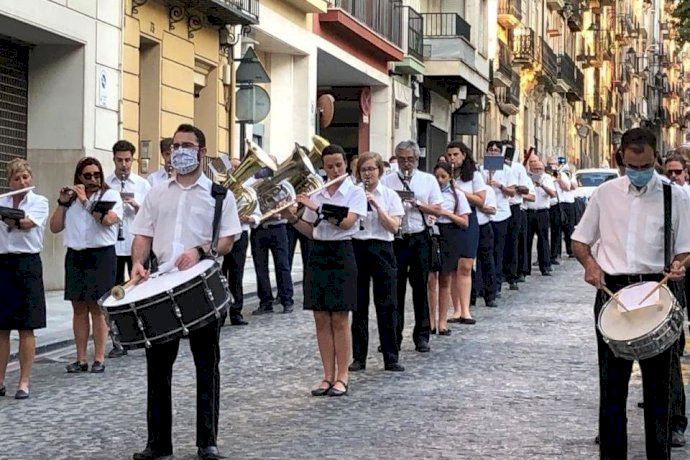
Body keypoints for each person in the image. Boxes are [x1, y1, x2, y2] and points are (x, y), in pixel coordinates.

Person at [572, 127, 690, 459]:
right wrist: (590, 266)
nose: (639, 173)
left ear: (657, 158)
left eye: (646, 166)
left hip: (657, 290)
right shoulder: (605, 194)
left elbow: (686, 248)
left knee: (659, 391)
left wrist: (680, 265)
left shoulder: (674, 196)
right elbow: (580, 240)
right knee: (611, 388)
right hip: (614, 293)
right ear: (622, 158)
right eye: (633, 166)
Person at [130, 124, 241, 460]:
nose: (179, 150)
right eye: (176, 145)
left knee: (206, 365)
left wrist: (200, 250)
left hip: (199, 284)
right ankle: (158, 444)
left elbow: (228, 239)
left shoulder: (220, 195)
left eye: (187, 145)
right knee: (158, 367)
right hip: (161, 286)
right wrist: (137, 263)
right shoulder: (157, 192)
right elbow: (142, 234)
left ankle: (207, 441)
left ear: (201, 151)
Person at [284, 144, 367, 397]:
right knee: (320, 317)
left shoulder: (355, 192)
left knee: (340, 318)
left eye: (339, 165)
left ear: (346, 164)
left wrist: (316, 207)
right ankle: (327, 375)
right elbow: (312, 230)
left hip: (342, 253)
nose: (334, 170)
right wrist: (292, 217)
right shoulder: (317, 192)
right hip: (318, 253)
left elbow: (346, 223)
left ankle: (342, 376)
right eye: (329, 166)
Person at [49, 157, 123, 374]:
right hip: (76, 256)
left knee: (98, 308)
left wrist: (86, 202)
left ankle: (98, 357)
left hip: (101, 255)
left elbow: (109, 220)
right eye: (87, 175)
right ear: (79, 177)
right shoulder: (71, 199)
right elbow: (54, 227)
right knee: (79, 308)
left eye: (97, 174)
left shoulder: (109, 195)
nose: (93, 179)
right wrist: (63, 202)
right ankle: (80, 358)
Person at [381, 140, 443, 353]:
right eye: (402, 160)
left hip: (419, 237)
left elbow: (437, 209)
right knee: (394, 289)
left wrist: (418, 205)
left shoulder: (428, 180)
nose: (406, 164)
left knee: (420, 287)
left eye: (410, 160)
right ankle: (393, 336)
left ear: (417, 159)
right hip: (397, 238)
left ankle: (422, 334)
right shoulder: (387, 181)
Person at [349, 152, 405, 372]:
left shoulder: (390, 195)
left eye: (371, 169)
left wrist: (377, 204)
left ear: (379, 171)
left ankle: (391, 356)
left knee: (387, 304)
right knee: (359, 305)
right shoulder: (353, 194)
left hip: (383, 247)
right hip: (358, 247)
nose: (368, 173)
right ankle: (359, 357)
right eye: (363, 170)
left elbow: (394, 227)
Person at [0, 160, 49, 400]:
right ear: (9, 181)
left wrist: (12, 221)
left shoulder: (39, 202)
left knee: (26, 327)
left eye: (26, 177)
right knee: (1, 328)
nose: (22, 182)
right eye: (17, 179)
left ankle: (23, 381)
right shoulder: (2, 201)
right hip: (3, 264)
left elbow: (29, 224)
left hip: (27, 264)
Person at [105, 140, 151, 358]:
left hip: (136, 245)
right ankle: (118, 340)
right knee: (114, 293)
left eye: (127, 160)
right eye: (119, 160)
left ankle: (144, 334)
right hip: (113, 246)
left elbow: (152, 214)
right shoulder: (106, 183)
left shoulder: (142, 184)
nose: (124, 165)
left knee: (141, 290)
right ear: (113, 159)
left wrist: (136, 205)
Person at [445, 142, 486, 324]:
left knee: (466, 265)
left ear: (464, 155)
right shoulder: (446, 173)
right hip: (451, 219)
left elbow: (481, 200)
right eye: (450, 155)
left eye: (456, 154)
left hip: (468, 217)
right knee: (453, 266)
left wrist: (459, 191)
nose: (452, 158)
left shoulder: (474, 176)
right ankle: (456, 310)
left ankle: (466, 309)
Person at [427, 162, 470, 334]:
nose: (440, 180)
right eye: (437, 177)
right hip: (432, 232)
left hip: (450, 233)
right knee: (430, 279)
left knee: (445, 279)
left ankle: (442, 321)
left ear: (450, 177)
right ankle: (430, 320)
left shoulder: (457, 195)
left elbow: (464, 222)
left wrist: (445, 213)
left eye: (443, 176)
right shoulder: (429, 193)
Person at [250, 179, 295, 315]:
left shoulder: (285, 185)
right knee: (260, 268)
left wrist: (279, 213)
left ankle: (287, 300)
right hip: (258, 230)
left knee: (283, 265)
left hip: (278, 228)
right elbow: (249, 206)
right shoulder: (252, 185)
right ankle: (265, 303)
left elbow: (293, 208)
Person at [481, 141, 516, 296]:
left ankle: (497, 284)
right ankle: (482, 285)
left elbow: (512, 192)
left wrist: (500, 186)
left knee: (498, 250)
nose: (493, 152)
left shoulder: (507, 170)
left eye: (496, 150)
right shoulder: (480, 169)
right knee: (484, 252)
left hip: (501, 213)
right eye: (491, 150)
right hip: (485, 214)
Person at [503, 142, 535, 290]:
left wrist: (513, 187)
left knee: (513, 242)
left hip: (514, 206)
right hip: (497, 208)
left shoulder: (518, 168)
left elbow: (525, 188)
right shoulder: (489, 168)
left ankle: (512, 274)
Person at [524, 159, 555, 277]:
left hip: (542, 211)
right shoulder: (526, 178)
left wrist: (541, 185)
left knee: (543, 239)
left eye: (540, 169)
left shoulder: (546, 178)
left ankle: (545, 266)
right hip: (529, 211)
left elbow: (552, 194)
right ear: (530, 169)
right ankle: (525, 269)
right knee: (527, 240)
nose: (537, 171)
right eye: (535, 169)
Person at [472, 184, 498, 307]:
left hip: (484, 226)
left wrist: (479, 204)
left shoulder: (488, 190)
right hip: (467, 227)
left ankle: (490, 295)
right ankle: (471, 295)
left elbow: (493, 210)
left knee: (487, 260)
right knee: (467, 262)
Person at [545, 156, 571, 266]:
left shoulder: (562, 174)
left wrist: (557, 176)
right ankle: (545, 255)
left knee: (556, 231)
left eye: (554, 164)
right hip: (545, 205)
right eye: (549, 164)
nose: (552, 166)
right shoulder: (544, 175)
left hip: (556, 204)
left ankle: (555, 254)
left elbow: (567, 187)